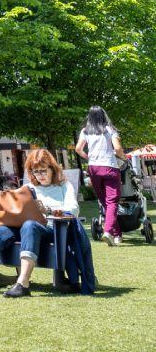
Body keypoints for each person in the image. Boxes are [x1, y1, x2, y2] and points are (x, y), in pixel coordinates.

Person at [0, 147, 79, 299]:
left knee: (30, 225)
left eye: (43, 171)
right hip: (24, 228)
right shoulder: (29, 188)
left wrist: (49, 211)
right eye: (35, 172)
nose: (40, 175)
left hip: (53, 230)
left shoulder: (64, 186)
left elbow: (74, 209)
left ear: (52, 168)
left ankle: (23, 283)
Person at [75, 105, 125, 247]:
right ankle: (108, 231)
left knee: (104, 201)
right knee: (112, 201)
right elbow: (117, 148)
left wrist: (89, 157)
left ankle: (117, 234)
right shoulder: (110, 129)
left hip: (93, 168)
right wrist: (123, 158)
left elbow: (78, 149)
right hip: (109, 166)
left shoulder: (85, 131)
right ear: (103, 115)